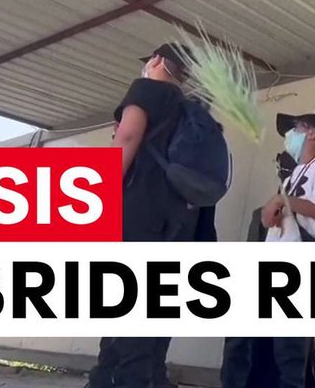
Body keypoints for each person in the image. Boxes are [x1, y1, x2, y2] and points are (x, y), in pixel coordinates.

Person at [88, 43, 199, 388]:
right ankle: (144, 377)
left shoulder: (147, 90)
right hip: (176, 220)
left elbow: (127, 137)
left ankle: (115, 378)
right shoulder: (193, 109)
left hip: (139, 211)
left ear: (158, 61)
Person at [220, 114, 315, 388]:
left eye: (297, 129)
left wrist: (282, 200)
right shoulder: (292, 175)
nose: (290, 135)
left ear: (313, 134)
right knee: (243, 338)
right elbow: (268, 220)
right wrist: (272, 208)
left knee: (290, 346)